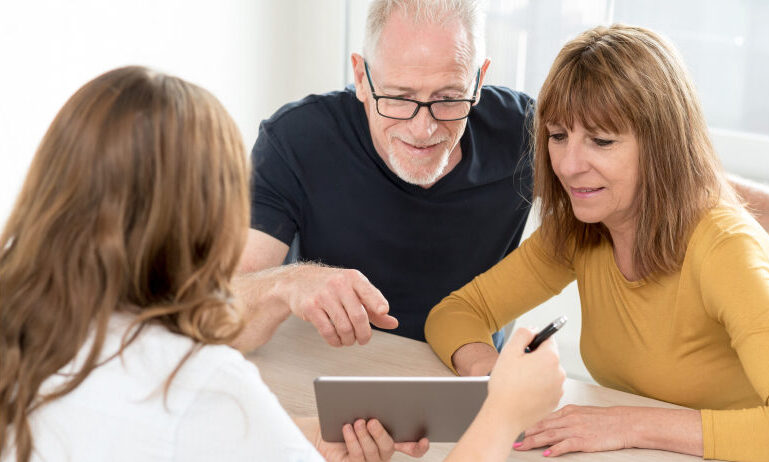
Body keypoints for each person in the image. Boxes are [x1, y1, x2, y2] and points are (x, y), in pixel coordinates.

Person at [0, 65, 568, 462]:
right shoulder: (200, 384)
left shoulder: (26, 330)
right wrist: (505, 414)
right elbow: (208, 418)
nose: (422, 124)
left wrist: (305, 444)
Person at [235, 0, 769, 353]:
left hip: (459, 376)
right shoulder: (297, 140)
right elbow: (217, 316)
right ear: (361, 75)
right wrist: (289, 280)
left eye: (449, 98)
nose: (424, 128)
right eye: (399, 99)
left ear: (481, 78)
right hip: (320, 369)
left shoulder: (526, 131)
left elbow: (671, 175)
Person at [425, 24, 769, 461]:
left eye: (602, 140)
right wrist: (495, 377)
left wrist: (630, 424)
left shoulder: (726, 249)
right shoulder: (581, 229)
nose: (569, 166)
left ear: (662, 146)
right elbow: (456, 313)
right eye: (558, 136)